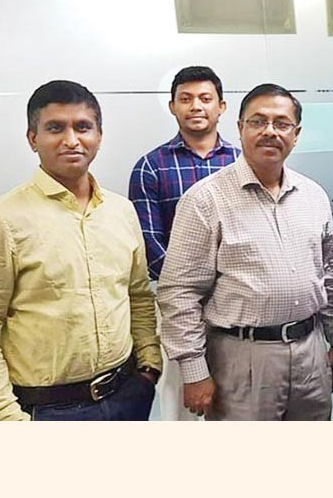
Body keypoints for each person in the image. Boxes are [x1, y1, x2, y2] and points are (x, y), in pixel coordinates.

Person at [0, 80, 161, 421]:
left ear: (99, 136)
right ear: (33, 139)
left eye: (83, 127)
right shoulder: (0, 221)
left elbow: (137, 295)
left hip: (128, 395)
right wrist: (3, 416)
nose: (71, 140)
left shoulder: (120, 211)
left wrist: (149, 365)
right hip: (47, 410)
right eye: (55, 128)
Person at [156, 83, 333, 420]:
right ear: (240, 127)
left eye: (281, 123)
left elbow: (331, 275)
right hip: (241, 359)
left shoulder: (314, 195)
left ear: (296, 133)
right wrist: (194, 370)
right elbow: (179, 292)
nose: (269, 132)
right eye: (258, 121)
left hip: (310, 353)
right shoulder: (205, 200)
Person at [128, 65, 238, 421]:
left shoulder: (243, 161)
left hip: (240, 308)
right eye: (185, 99)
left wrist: (233, 289)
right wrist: (195, 288)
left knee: (240, 404)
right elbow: (150, 244)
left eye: (205, 99)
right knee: (185, 410)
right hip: (182, 309)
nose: (196, 106)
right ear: (172, 106)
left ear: (221, 106)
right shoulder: (150, 167)